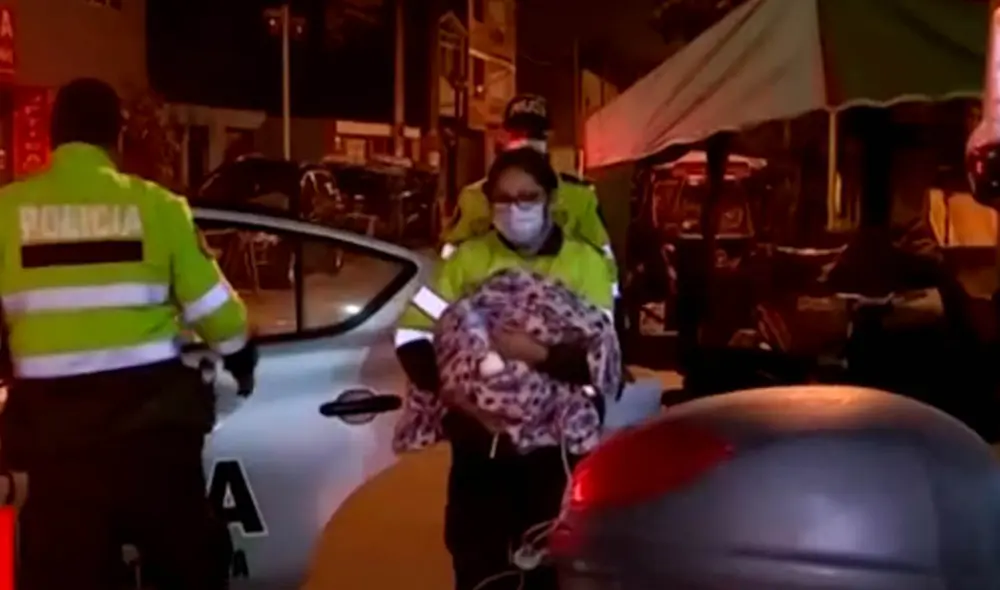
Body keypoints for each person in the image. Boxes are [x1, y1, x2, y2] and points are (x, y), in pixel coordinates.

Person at [0, 78, 256, 590]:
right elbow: (222, 320)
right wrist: (240, 359)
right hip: (152, 438)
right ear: (117, 138)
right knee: (189, 567)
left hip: (57, 448)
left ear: (54, 138)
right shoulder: (158, 208)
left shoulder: (7, 212)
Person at [396, 147, 615, 590]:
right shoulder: (466, 262)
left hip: (552, 453)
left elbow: (601, 358)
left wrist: (534, 354)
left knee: (549, 566)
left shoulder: (585, 264)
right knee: (479, 566)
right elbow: (411, 338)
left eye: (527, 197)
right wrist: (455, 394)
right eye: (503, 198)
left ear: (551, 200)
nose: (514, 209)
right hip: (481, 450)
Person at [437, 93, 618, 286]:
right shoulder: (473, 196)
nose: (526, 140)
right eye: (518, 133)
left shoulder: (580, 198)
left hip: (562, 302)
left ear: (549, 138)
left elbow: (604, 264)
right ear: (504, 137)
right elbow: (449, 261)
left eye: (535, 134)